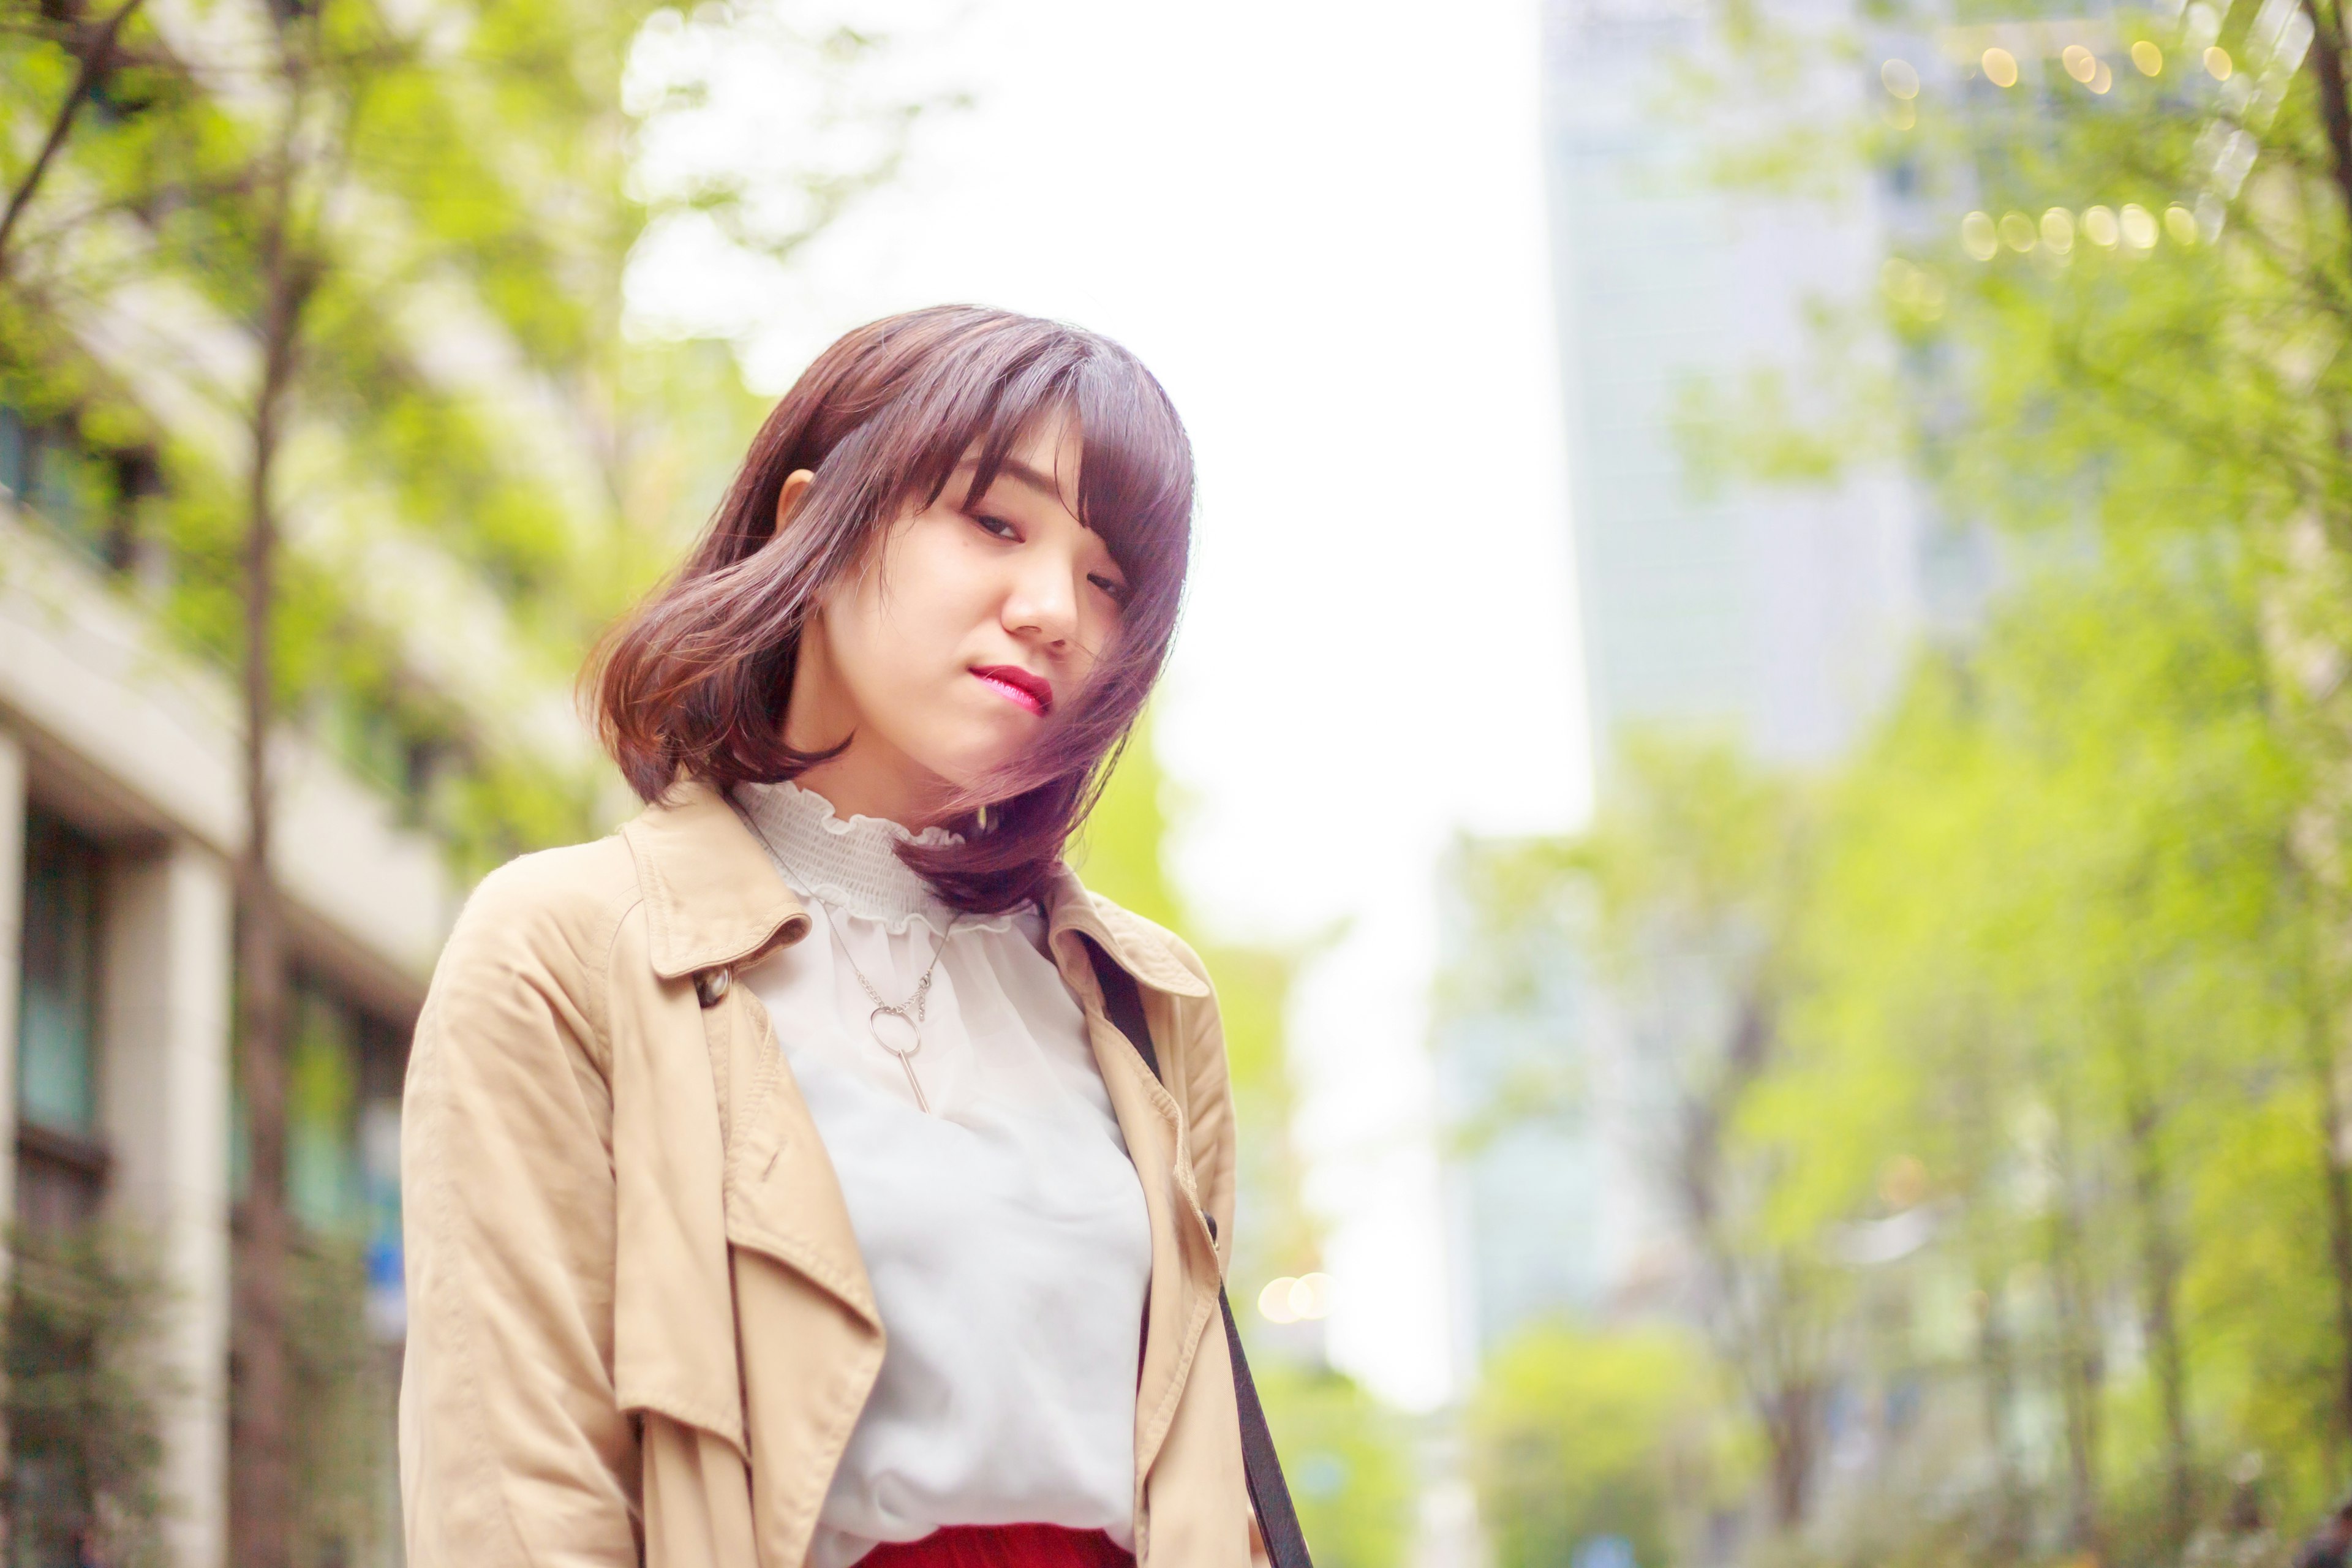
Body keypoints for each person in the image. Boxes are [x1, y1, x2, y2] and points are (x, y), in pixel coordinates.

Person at [397, 307, 1262, 1568]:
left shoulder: (1145, 997)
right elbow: (517, 1497)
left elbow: (1202, 1472)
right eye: (997, 523)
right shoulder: (567, 946)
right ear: (814, 517)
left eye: (1107, 578)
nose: (1051, 611)